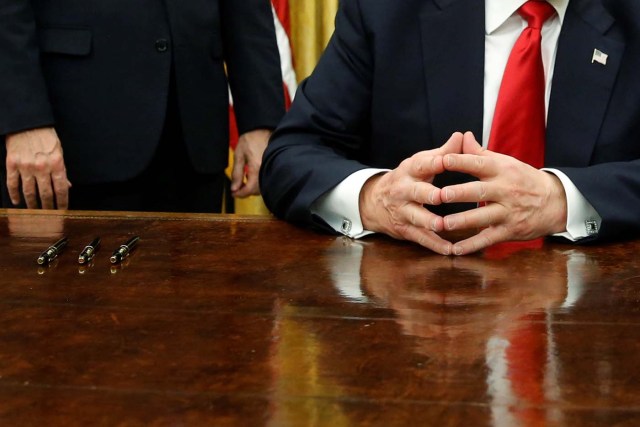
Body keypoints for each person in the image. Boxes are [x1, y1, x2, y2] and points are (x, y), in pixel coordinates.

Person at [260, 0, 640, 255]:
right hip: (415, 326)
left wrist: (562, 201)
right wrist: (374, 199)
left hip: (595, 327)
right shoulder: (388, 10)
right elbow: (291, 155)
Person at [0, 0, 285, 213]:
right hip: (71, 138)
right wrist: (23, 119)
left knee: (196, 291)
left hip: (193, 134)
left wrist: (259, 119)